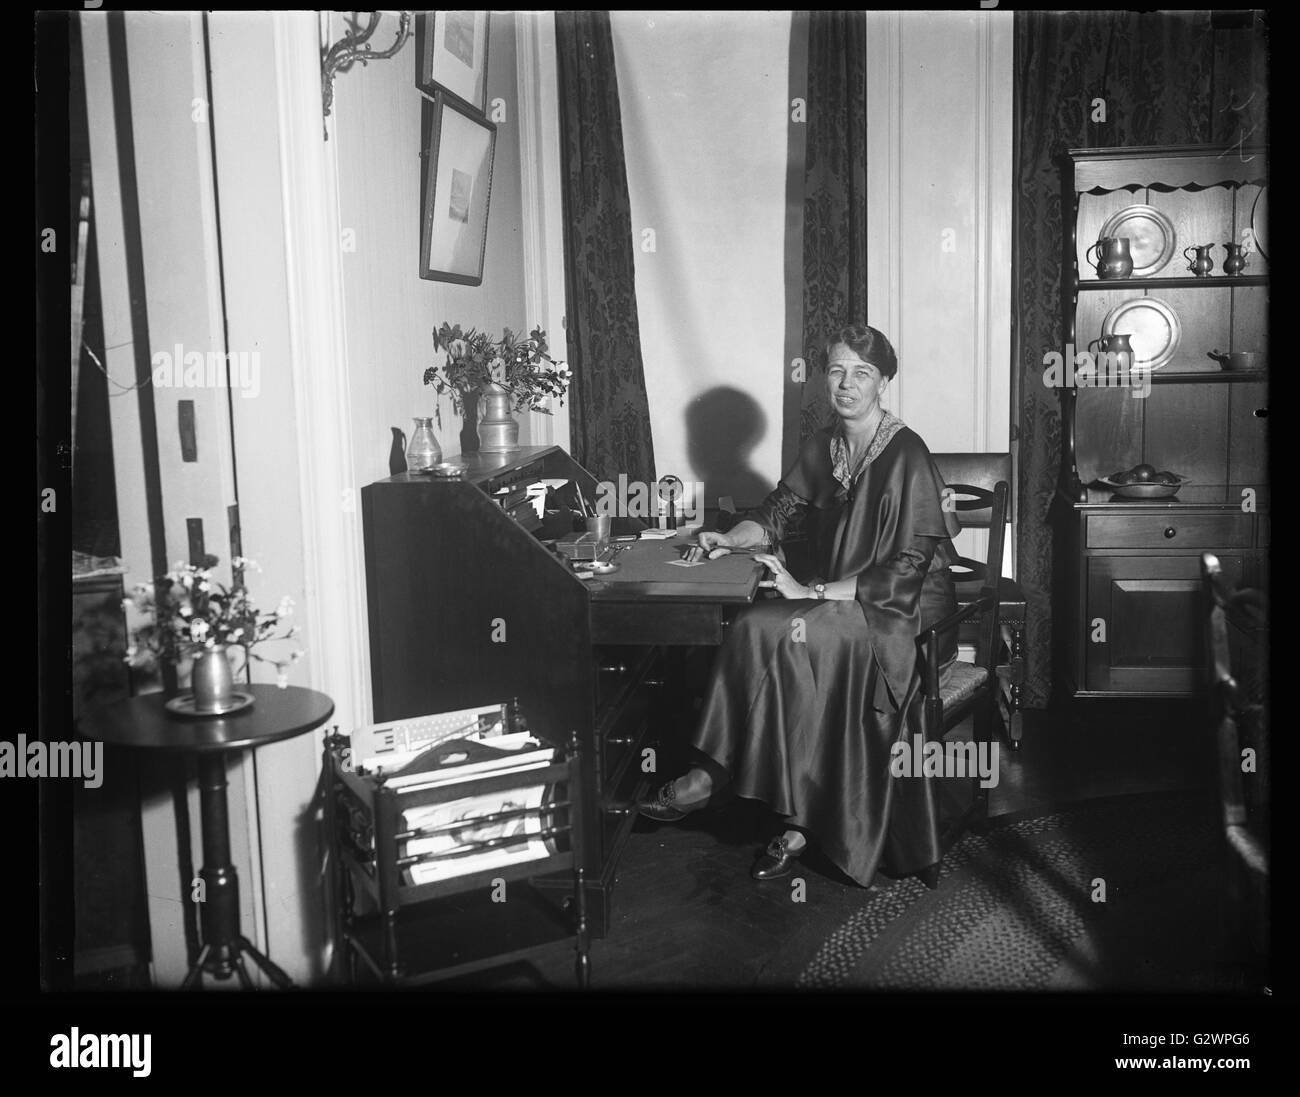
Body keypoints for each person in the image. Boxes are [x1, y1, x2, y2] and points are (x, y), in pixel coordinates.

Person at [637, 323, 959, 884]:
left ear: (883, 381)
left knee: (794, 636)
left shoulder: (907, 451)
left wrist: (810, 592)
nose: (847, 384)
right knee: (754, 625)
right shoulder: (824, 445)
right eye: (837, 370)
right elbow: (774, 515)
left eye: (862, 373)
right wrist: (728, 540)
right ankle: (720, 778)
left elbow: (907, 571)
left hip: (899, 611)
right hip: (840, 600)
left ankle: (797, 817)